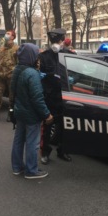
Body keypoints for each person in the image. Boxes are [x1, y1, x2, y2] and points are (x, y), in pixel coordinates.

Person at [11, 43, 53, 179]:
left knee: (18, 140)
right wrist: (47, 114)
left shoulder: (17, 69)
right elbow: (37, 98)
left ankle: (17, 167)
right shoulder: (32, 74)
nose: (38, 58)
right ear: (31, 56)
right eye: (36, 55)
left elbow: (13, 91)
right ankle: (31, 170)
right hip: (31, 115)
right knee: (32, 143)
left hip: (20, 111)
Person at [39, 28, 72, 165]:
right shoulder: (43, 56)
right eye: (54, 41)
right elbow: (39, 74)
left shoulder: (67, 55)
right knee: (47, 126)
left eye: (58, 40)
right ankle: (45, 153)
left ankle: (62, 151)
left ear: (62, 41)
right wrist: (44, 76)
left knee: (64, 126)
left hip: (64, 96)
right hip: (50, 96)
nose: (57, 43)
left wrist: (72, 79)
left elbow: (73, 73)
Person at [0, 30, 19, 122]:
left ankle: (10, 114)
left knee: (12, 97)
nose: (6, 35)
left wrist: (17, 75)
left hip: (11, 77)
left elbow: (19, 63)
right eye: (6, 33)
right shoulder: (1, 49)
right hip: (0, 76)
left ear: (13, 37)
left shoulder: (16, 49)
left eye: (8, 34)